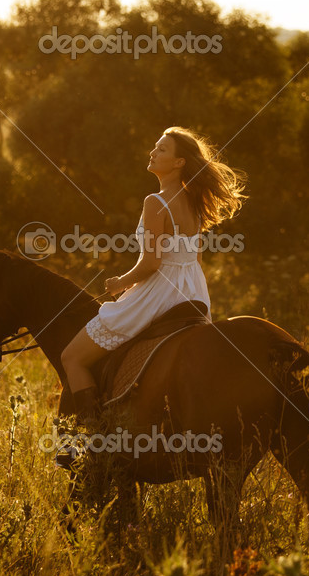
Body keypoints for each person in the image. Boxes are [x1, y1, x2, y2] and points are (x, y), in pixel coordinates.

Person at [60, 126, 247, 423]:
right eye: (155, 147)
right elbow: (195, 258)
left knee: (71, 358)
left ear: (179, 163)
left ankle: (90, 438)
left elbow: (151, 263)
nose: (152, 152)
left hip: (160, 293)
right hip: (193, 291)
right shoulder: (195, 202)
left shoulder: (155, 202)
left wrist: (119, 283)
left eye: (161, 149)